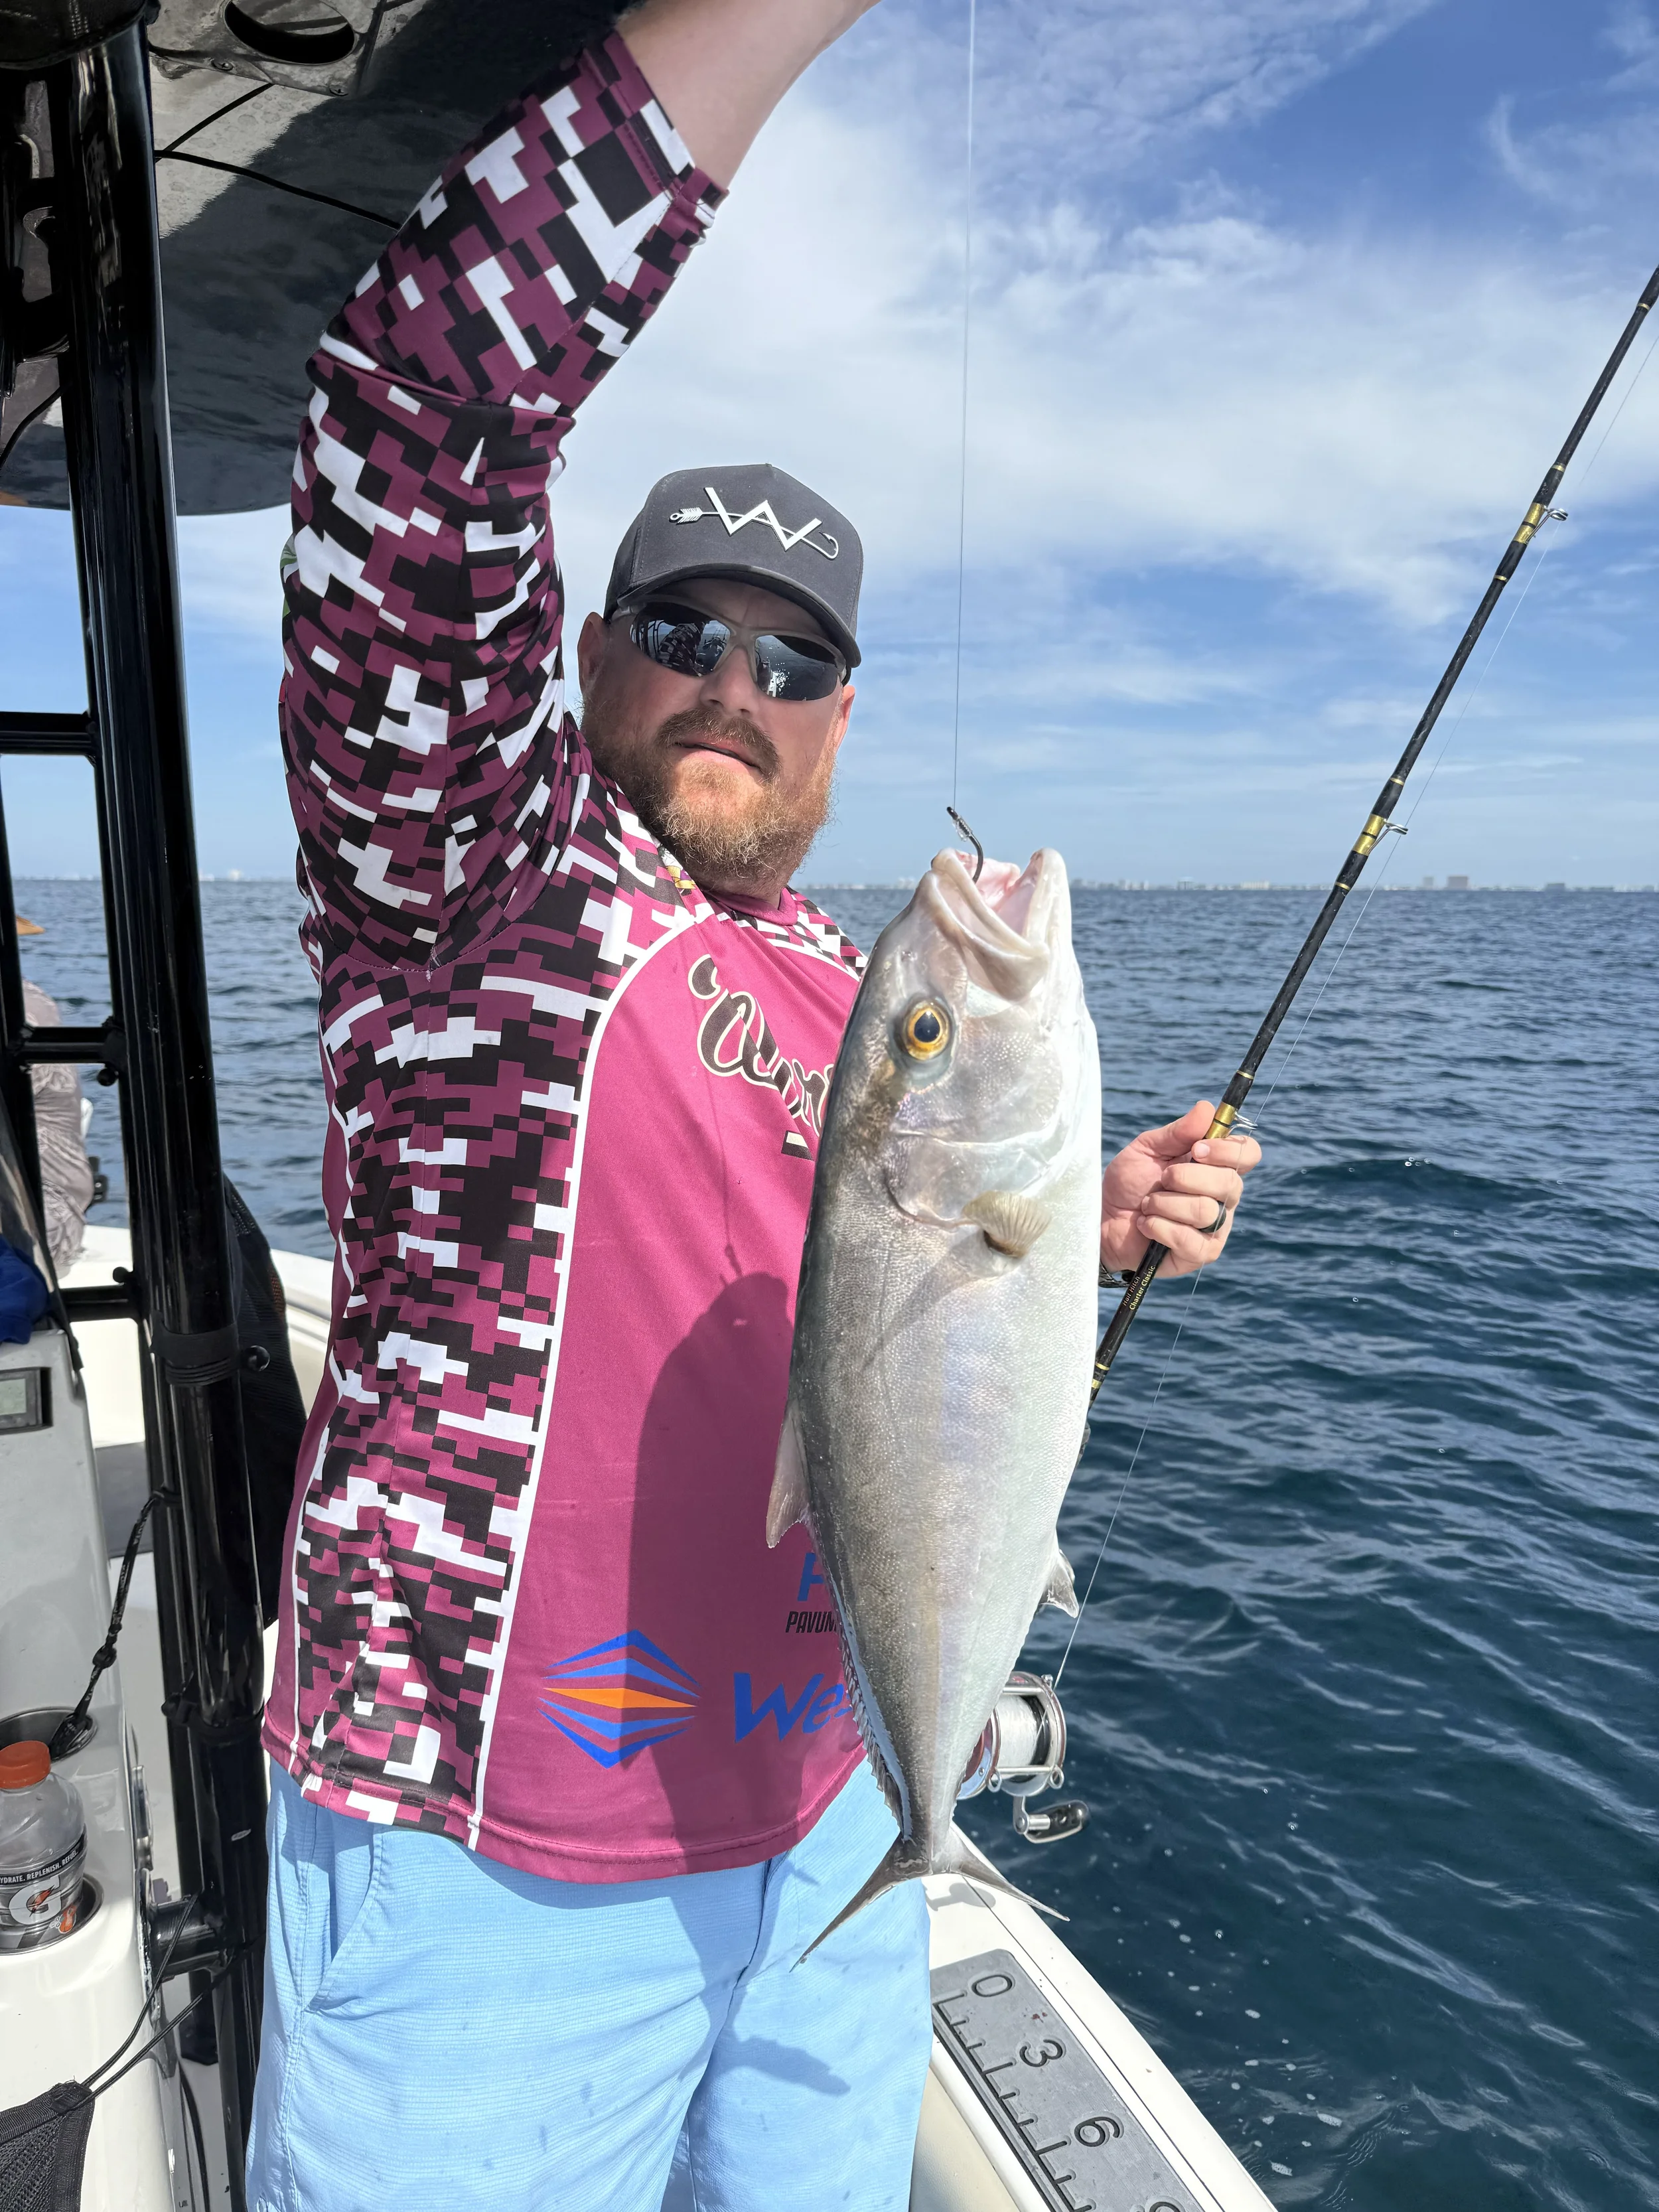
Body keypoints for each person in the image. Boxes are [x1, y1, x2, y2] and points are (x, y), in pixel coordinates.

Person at [250, 3, 1262, 2207]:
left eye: (793, 658)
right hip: (487, 1881)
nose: (735, 686)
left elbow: (850, 1254)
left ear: (841, 717)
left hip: (827, 1832)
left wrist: (1071, 1224)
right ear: (585, 651)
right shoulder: (465, 874)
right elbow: (408, 416)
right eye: (681, 628)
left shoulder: (844, 980)